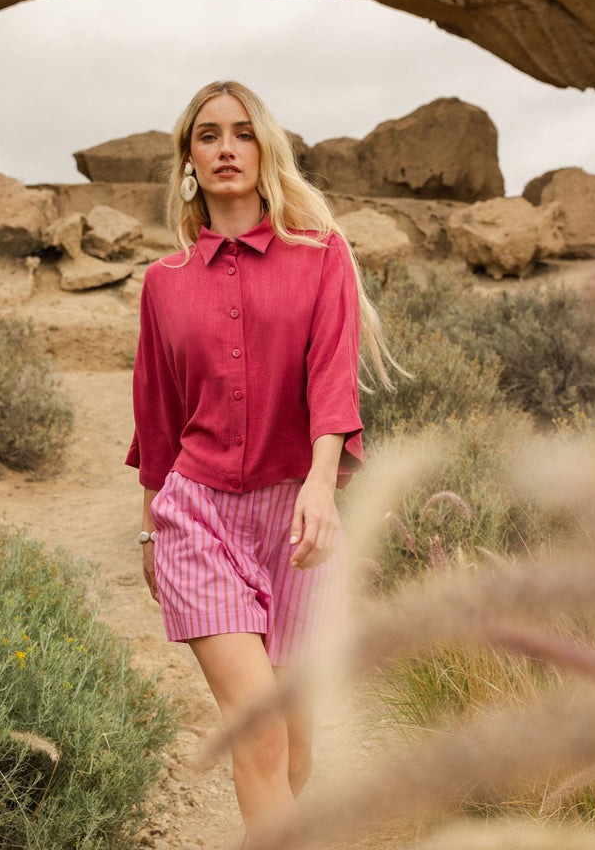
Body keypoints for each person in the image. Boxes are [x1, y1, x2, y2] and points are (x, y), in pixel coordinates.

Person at [127, 80, 399, 843]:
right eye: (207, 136)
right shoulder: (163, 283)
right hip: (197, 515)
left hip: (296, 518)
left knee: (296, 745)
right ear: (189, 159)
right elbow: (156, 418)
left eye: (242, 134)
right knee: (261, 733)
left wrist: (319, 485)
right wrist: (150, 527)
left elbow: (332, 387)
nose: (225, 149)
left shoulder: (322, 259)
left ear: (264, 148)